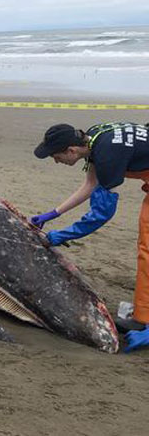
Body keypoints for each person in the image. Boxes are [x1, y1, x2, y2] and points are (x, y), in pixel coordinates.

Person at [31, 122, 149, 352]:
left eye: (56, 156)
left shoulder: (107, 155)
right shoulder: (95, 137)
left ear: (71, 151)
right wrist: (53, 213)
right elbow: (91, 184)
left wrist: (59, 236)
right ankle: (143, 316)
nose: (56, 161)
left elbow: (100, 215)